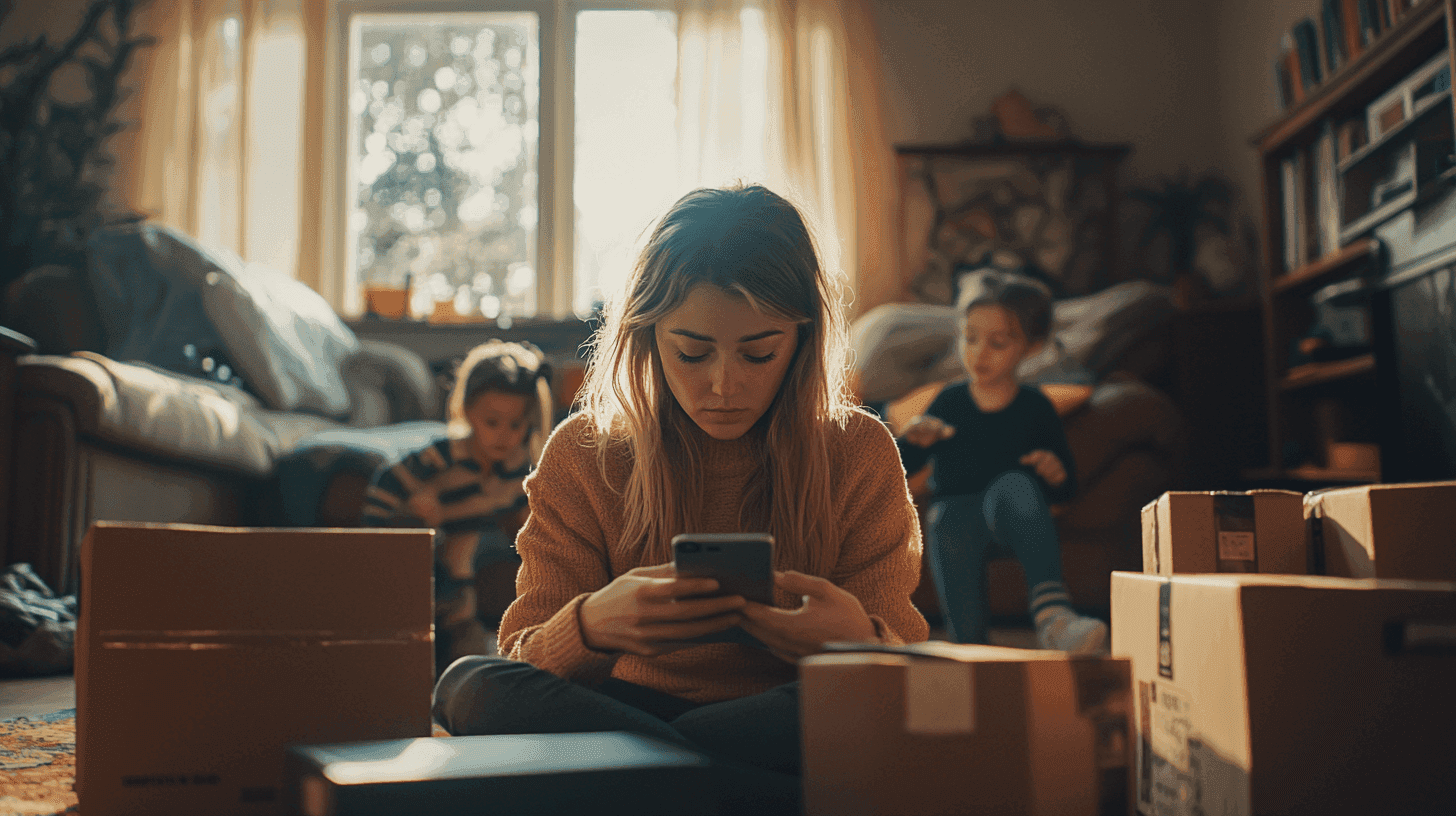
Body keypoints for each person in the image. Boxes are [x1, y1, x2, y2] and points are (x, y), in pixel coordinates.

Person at [431, 184, 929, 813]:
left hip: (780, 717)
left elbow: (911, 674)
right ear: (648, 335)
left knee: (875, 703)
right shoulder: (584, 453)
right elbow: (523, 656)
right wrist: (591, 626)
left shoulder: (858, 449)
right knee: (467, 685)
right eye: (692, 351)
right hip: (627, 708)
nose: (724, 384)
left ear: (802, 342)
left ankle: (641, 785)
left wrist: (857, 642)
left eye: (760, 352)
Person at [896, 270, 1109, 654]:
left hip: (1015, 518)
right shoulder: (949, 402)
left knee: (1015, 484)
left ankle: (1054, 618)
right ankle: (969, 641)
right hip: (957, 519)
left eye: (998, 342)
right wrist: (911, 441)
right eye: (970, 337)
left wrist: (1054, 472)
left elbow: (1065, 487)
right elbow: (902, 470)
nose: (979, 352)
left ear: (1031, 346)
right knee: (944, 518)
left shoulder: (1035, 407)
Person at [360, 340, 554, 668]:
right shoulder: (441, 456)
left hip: (463, 579)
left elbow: (525, 514)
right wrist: (392, 528)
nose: (503, 435)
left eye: (515, 425)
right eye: (492, 423)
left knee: (471, 659)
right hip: (419, 561)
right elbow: (383, 488)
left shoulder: (520, 468)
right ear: (468, 411)